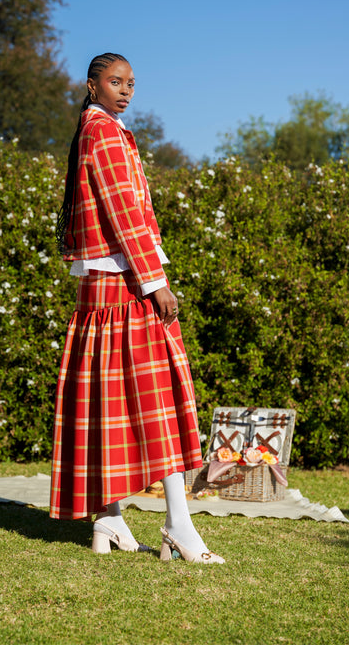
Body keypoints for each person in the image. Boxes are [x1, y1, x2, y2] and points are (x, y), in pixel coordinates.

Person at [50, 53, 224, 564]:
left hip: (104, 289)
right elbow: (124, 210)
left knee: (110, 404)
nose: (125, 90)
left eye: (131, 83)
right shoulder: (103, 131)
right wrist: (155, 281)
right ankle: (178, 524)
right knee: (159, 401)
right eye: (114, 81)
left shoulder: (102, 128)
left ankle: (109, 519)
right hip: (125, 285)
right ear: (91, 85)